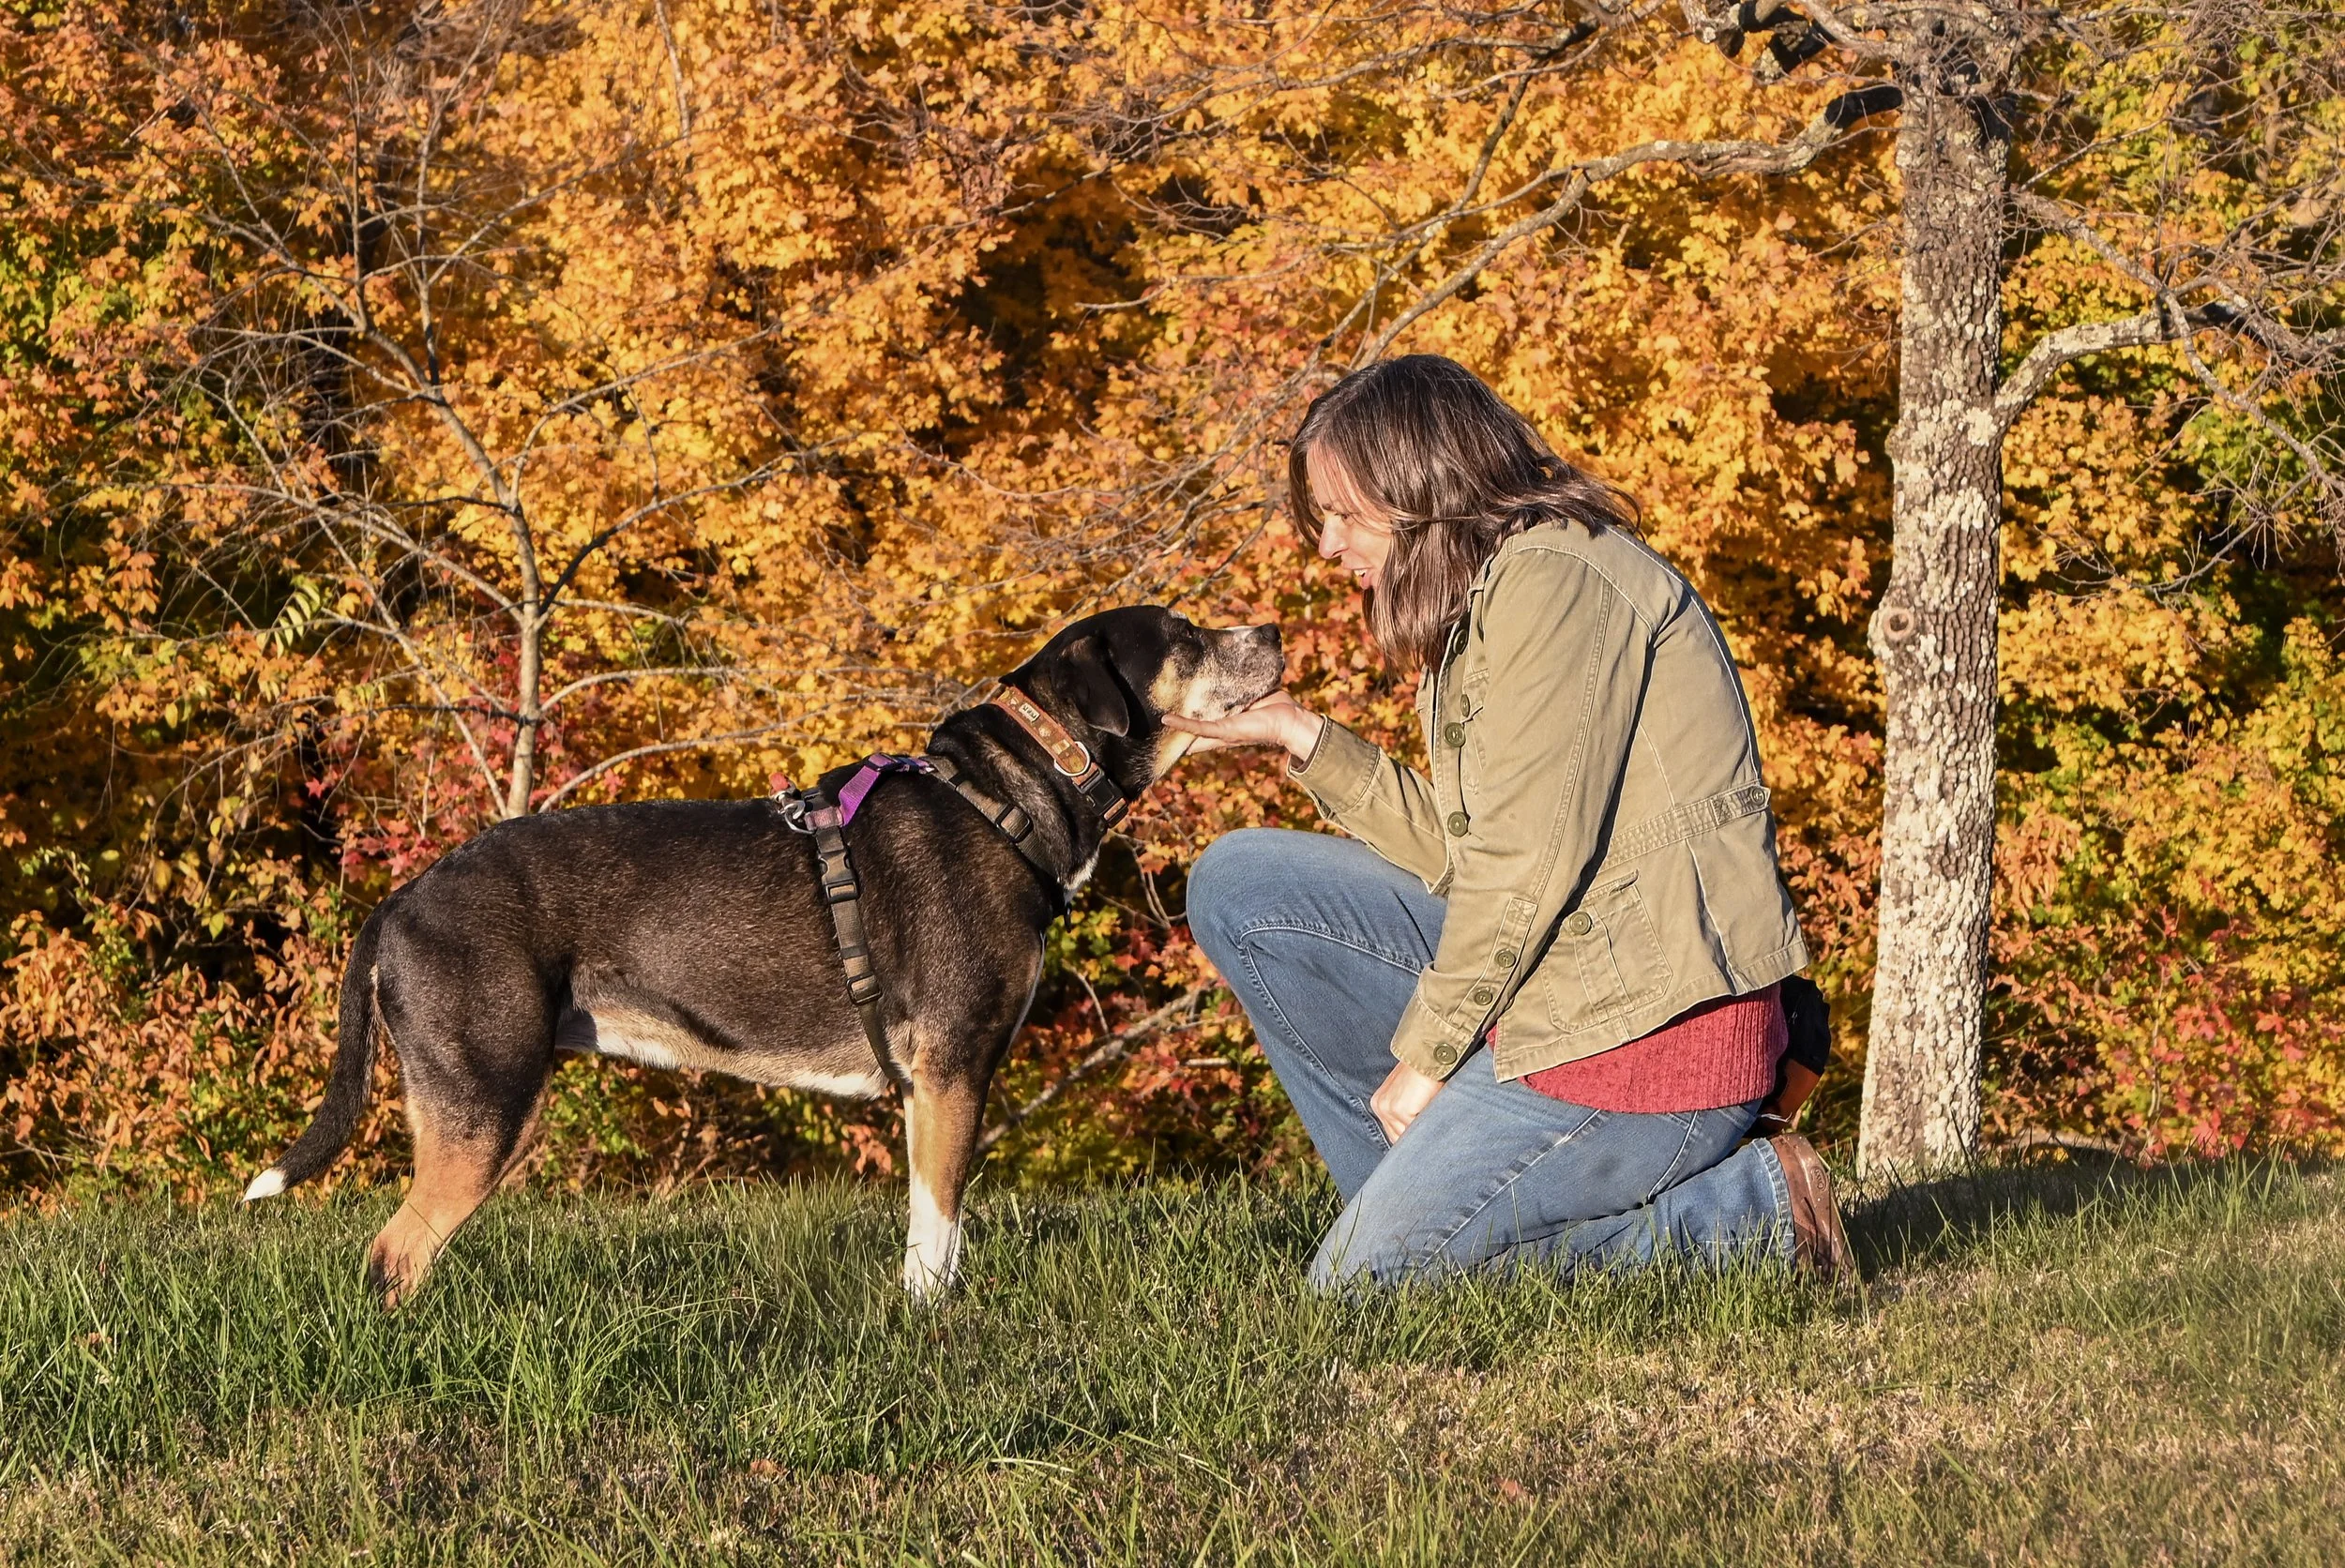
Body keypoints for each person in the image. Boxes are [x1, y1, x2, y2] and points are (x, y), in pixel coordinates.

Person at [1168, 354, 1852, 1289]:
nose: (1326, 545)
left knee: (1358, 1290)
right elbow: (1474, 854)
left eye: (1339, 511)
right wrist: (1300, 737)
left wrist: (1423, 1058)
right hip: (1565, 994)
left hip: (1646, 1044)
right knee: (1242, 884)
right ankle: (1415, 1226)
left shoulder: (1557, 584)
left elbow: (1525, 867)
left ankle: (1756, 1217)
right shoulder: (1487, 603)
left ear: (1415, 483)